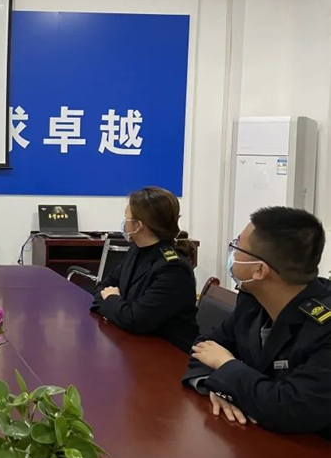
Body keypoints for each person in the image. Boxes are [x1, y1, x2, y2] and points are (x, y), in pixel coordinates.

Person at [183, 207, 330, 438]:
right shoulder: (252, 300)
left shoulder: (324, 327)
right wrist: (220, 387)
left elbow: (290, 407)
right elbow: (204, 347)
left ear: (260, 270)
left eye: (237, 247)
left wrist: (226, 366)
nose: (232, 252)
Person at [90, 186, 198, 353]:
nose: (124, 223)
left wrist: (111, 299)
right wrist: (118, 306)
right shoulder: (136, 249)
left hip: (168, 353)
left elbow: (136, 320)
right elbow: (102, 287)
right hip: (134, 344)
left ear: (139, 225)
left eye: (127, 218)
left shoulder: (173, 268)